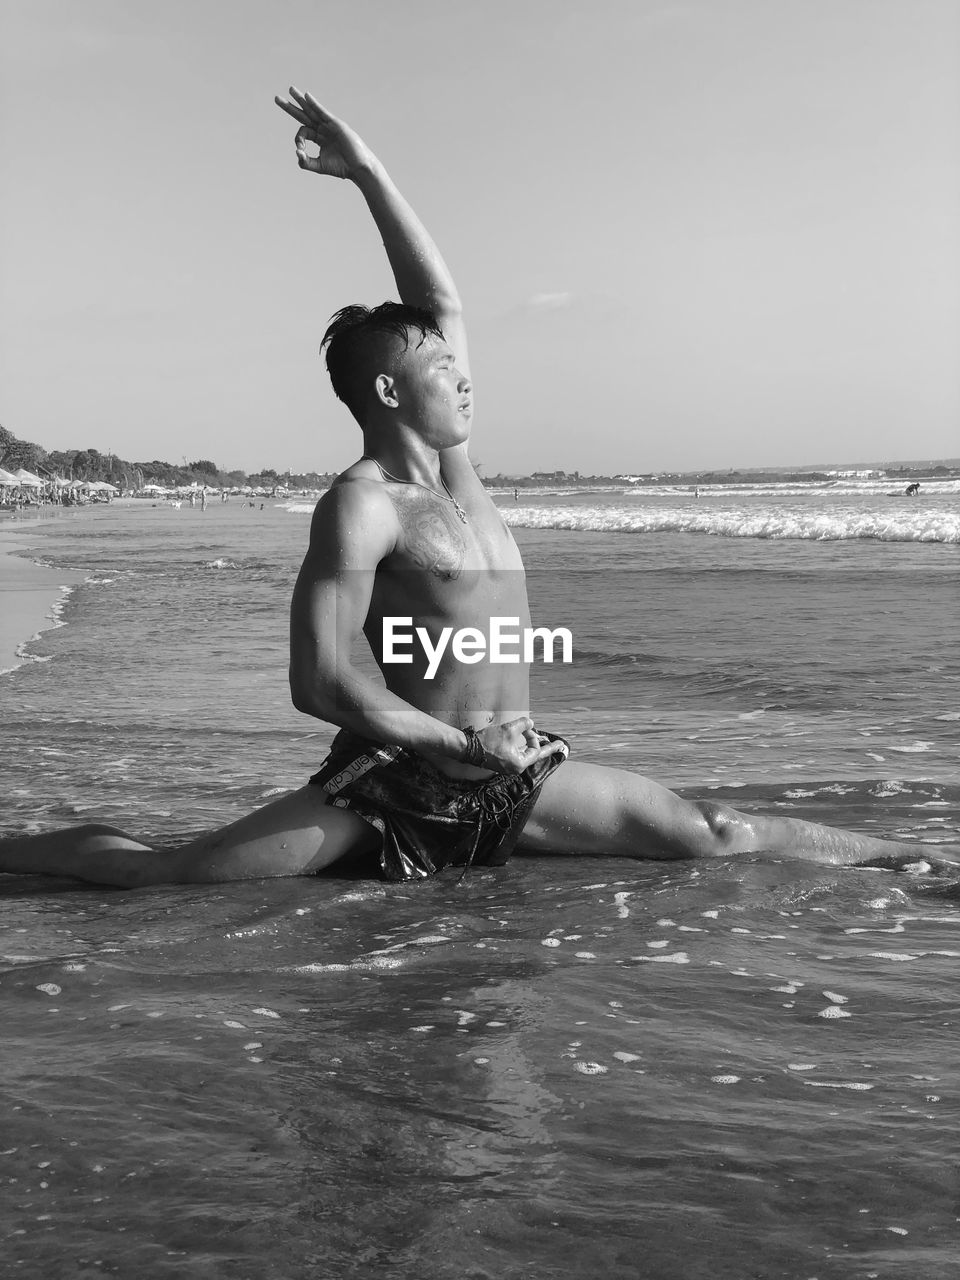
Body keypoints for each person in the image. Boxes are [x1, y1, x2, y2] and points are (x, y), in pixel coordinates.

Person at [0, 87, 955, 890]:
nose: (463, 375)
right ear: (386, 391)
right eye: (439, 368)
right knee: (169, 879)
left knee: (714, 831)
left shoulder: (461, 479)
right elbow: (321, 682)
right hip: (399, 779)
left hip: (517, 769)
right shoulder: (362, 505)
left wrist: (367, 174)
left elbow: (442, 305)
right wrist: (454, 750)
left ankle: (912, 863)